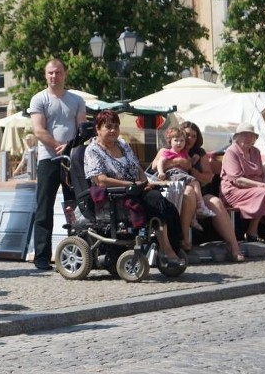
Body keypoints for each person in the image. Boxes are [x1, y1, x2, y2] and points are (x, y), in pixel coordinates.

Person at [83, 110, 185, 266]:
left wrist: (145, 183)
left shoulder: (123, 144)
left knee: (166, 206)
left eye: (116, 126)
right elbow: (101, 180)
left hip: (136, 190)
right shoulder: (92, 150)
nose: (113, 130)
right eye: (108, 126)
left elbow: (137, 168)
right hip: (115, 195)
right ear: (98, 128)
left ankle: (174, 247)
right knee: (158, 204)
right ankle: (168, 250)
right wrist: (131, 185)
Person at [28, 59, 86, 271]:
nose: (54, 76)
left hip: (71, 160)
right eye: (50, 73)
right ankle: (42, 256)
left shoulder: (76, 99)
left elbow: (81, 128)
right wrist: (58, 146)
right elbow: (39, 130)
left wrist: (70, 148)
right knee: (44, 208)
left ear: (65, 74)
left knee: (76, 207)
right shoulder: (38, 99)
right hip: (48, 159)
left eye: (58, 72)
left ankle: (79, 250)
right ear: (45, 75)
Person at [179, 121, 246, 262]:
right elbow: (155, 165)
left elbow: (209, 177)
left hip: (200, 193)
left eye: (194, 136)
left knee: (215, 202)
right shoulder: (170, 149)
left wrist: (194, 172)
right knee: (188, 193)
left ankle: (234, 247)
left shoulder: (199, 153)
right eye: (187, 135)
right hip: (179, 193)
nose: (190, 139)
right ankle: (184, 243)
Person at [220, 123, 265, 245]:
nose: (248, 138)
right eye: (244, 135)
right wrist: (264, 186)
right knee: (264, 193)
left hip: (255, 188)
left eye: (251, 136)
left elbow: (263, 174)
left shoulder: (255, 152)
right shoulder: (231, 152)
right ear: (236, 137)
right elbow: (237, 180)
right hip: (234, 190)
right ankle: (252, 231)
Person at [156, 126, 217, 220]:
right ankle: (201, 206)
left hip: (182, 175)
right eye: (188, 135)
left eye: (194, 136)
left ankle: (194, 216)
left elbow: (189, 164)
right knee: (194, 184)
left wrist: (194, 161)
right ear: (170, 141)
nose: (179, 143)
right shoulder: (167, 151)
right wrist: (164, 170)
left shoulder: (187, 152)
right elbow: (157, 164)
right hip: (174, 174)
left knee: (194, 186)